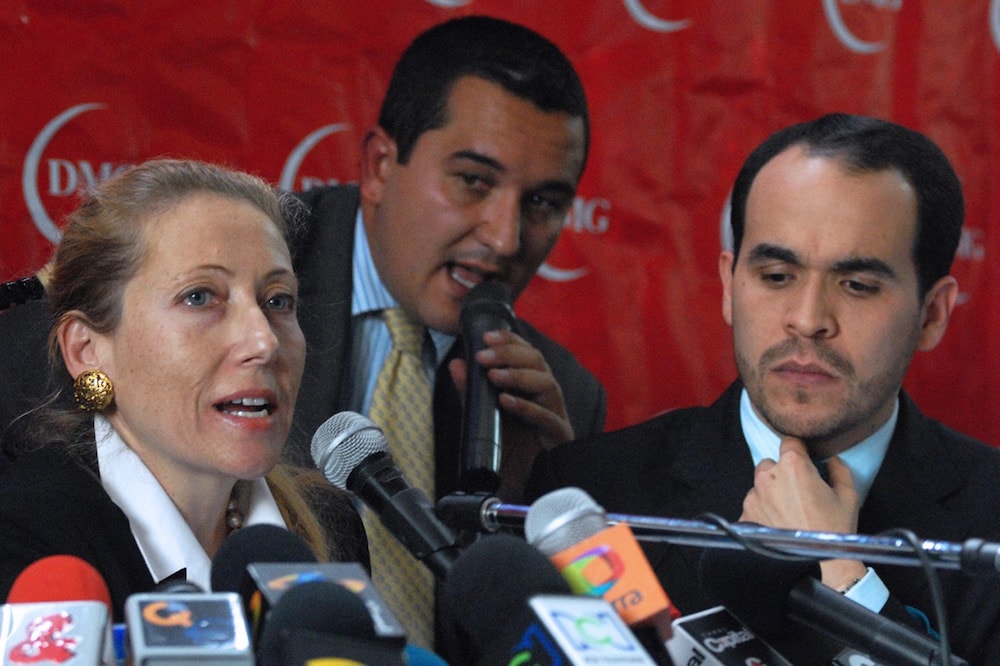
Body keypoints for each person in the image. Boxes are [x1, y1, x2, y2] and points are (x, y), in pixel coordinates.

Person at [526, 113, 1000, 663]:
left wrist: (844, 573)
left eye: (857, 285)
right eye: (776, 277)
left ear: (933, 314)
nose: (806, 318)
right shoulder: (595, 493)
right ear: (730, 286)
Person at [0, 159, 367, 621]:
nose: (264, 341)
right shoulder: (21, 535)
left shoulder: (330, 522)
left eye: (278, 301)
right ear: (87, 350)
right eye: (199, 297)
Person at [289, 15, 606, 504]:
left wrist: (535, 491)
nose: (504, 240)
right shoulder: (242, 277)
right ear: (380, 167)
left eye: (542, 202)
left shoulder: (562, 401)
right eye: (474, 182)